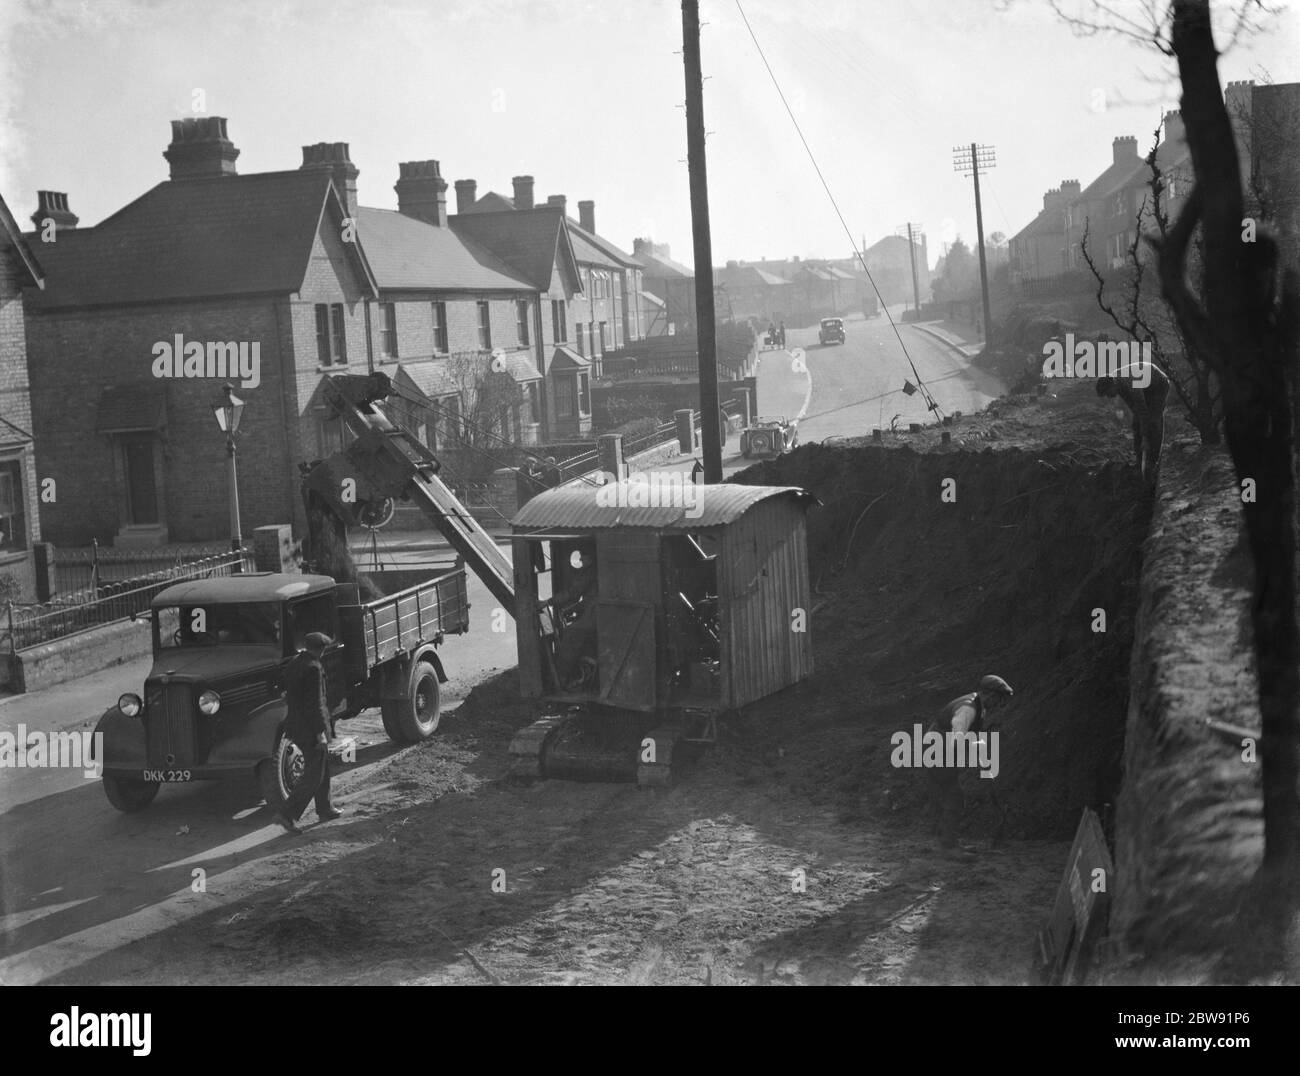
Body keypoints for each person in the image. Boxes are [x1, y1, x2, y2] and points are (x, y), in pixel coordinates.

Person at [927, 674, 1014, 854]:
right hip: (936, 750)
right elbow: (958, 735)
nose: (999, 703)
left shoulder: (979, 705)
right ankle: (948, 847)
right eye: (998, 698)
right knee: (954, 795)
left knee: (952, 795)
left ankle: (948, 842)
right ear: (988, 694)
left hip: (940, 749)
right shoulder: (968, 709)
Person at [277, 632, 342, 833]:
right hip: (310, 729)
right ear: (320, 649)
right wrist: (320, 732)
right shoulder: (313, 668)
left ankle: (325, 808)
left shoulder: (295, 664)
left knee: (322, 766)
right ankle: (287, 814)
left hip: (296, 725)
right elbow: (316, 704)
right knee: (314, 774)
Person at [1096, 362, 1171, 485]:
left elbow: (1142, 409)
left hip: (1158, 385)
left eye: (1108, 393)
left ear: (1113, 384)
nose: (1109, 397)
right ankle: (1139, 460)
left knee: (1153, 420)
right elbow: (1134, 408)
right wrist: (1139, 430)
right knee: (1136, 423)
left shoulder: (1129, 383)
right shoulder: (1117, 383)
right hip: (1145, 387)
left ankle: (1153, 462)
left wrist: (1145, 437)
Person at [550, 545, 598, 690]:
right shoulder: (593, 570)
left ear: (590, 559)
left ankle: (561, 681)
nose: (580, 559)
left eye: (583, 556)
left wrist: (548, 602)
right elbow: (589, 599)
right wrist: (573, 609)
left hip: (597, 615)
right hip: (595, 611)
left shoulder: (590, 572)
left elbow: (573, 593)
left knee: (571, 633)